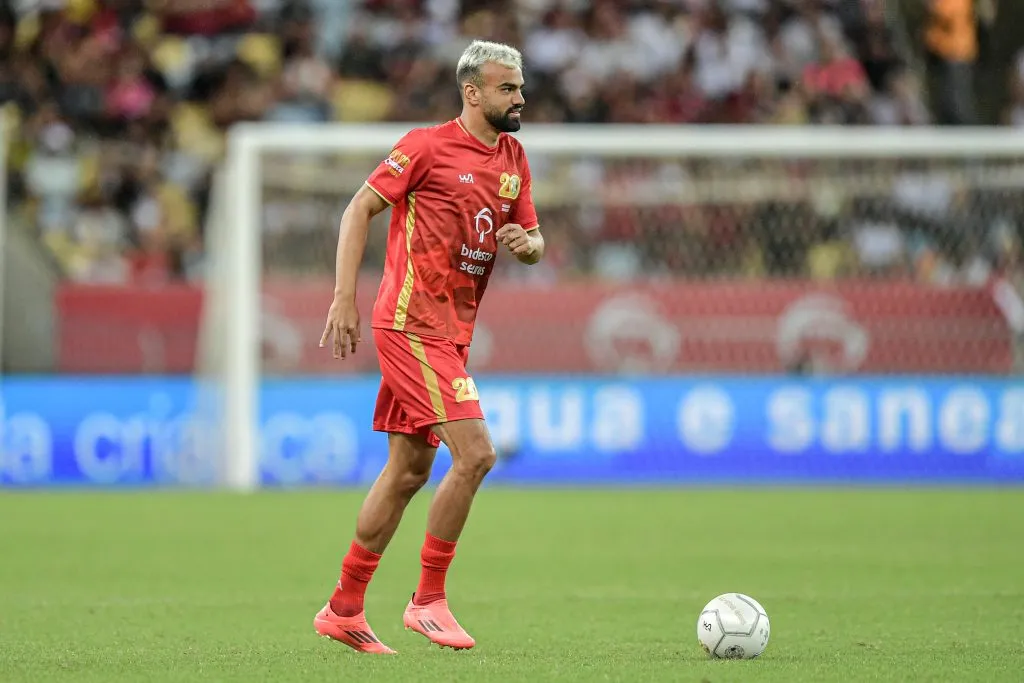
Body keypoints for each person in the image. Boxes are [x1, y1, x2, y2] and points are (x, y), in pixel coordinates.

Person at [313, 39, 544, 654]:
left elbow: (534, 237)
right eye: (507, 88)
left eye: (520, 87)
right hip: (411, 324)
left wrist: (529, 246)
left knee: (408, 470)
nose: (519, 98)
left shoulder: (514, 157)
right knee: (477, 455)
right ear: (472, 92)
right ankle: (427, 601)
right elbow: (358, 210)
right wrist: (344, 298)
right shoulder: (425, 146)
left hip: (450, 333)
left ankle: (343, 607)